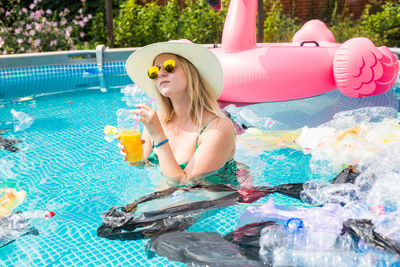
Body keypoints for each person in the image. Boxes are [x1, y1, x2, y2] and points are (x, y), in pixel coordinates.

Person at [121, 40, 238, 186]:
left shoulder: (217, 128)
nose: (161, 74)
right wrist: (132, 155)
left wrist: (158, 136)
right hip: (171, 197)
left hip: (208, 199)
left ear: (191, 72)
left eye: (169, 67)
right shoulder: (157, 122)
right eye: (154, 71)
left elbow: (183, 183)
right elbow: (144, 164)